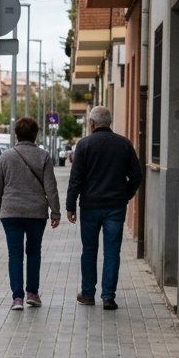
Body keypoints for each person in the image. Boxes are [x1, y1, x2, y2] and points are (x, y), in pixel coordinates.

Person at [65, 106, 142, 310]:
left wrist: (70, 206)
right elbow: (137, 175)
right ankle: (108, 297)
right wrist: (125, 195)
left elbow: (76, 179)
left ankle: (88, 294)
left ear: (92, 123)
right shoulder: (123, 144)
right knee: (112, 251)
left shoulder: (84, 145)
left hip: (90, 206)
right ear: (109, 122)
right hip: (115, 206)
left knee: (89, 250)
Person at [0, 116, 60, 310]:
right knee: (33, 252)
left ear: (16, 134)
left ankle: (17, 298)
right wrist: (55, 212)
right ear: (35, 134)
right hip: (36, 213)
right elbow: (51, 187)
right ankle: (32, 293)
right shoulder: (43, 156)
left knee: (15, 255)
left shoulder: (6, 156)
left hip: (11, 213)